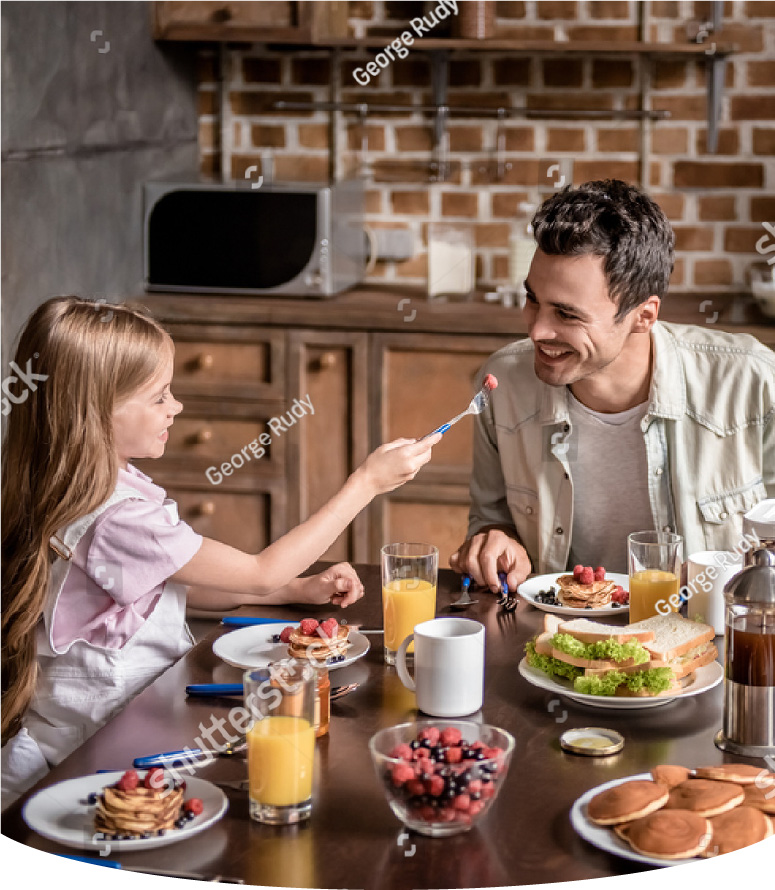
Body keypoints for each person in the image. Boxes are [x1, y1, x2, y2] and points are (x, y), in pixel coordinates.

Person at [1, 296, 441, 807]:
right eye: (160, 395)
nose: (177, 407)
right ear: (96, 409)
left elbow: (159, 590)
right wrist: (365, 484)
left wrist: (292, 591)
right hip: (90, 759)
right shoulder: (118, 516)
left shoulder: (85, 485)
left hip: (122, 731)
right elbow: (259, 571)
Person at [451, 179, 774, 592]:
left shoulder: (754, 381)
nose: (536, 330)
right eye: (533, 299)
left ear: (644, 315)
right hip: (558, 638)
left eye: (567, 314)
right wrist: (494, 543)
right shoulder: (503, 383)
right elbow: (491, 520)